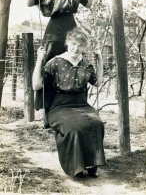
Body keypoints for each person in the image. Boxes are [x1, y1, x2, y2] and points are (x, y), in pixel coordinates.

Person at [27, 0, 98, 126]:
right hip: (53, 32)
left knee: (74, 67)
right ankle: (48, 117)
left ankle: (73, 111)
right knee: (50, 70)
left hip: (72, 31)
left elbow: (88, 4)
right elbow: (29, 2)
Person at [32, 28, 106, 178]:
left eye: (80, 45)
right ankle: (76, 166)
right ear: (67, 43)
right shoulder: (55, 62)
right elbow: (36, 86)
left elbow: (98, 82)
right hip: (60, 106)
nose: (76, 48)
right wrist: (39, 59)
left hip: (81, 104)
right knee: (74, 127)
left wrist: (100, 59)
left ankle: (92, 164)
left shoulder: (86, 63)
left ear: (84, 47)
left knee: (96, 124)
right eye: (73, 44)